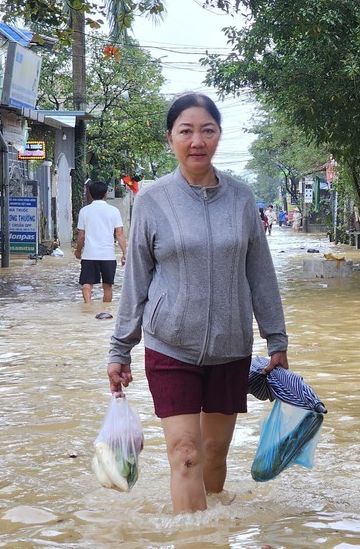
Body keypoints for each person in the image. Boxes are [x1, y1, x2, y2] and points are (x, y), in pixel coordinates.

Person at [107, 93, 289, 514]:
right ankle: (191, 538)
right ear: (170, 137)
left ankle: (213, 531)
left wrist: (276, 338)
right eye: (186, 131)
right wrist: (120, 348)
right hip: (169, 345)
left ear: (219, 136)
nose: (197, 141)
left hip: (231, 347)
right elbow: (137, 279)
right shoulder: (152, 201)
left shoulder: (242, 199)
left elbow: (261, 274)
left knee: (214, 452)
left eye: (207, 130)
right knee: (186, 453)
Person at [75, 180, 126, 303]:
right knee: (107, 287)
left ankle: (87, 308)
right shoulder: (114, 211)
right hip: (108, 255)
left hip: (89, 254)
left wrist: (78, 251)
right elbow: (119, 233)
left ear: (91, 194)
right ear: (105, 194)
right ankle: (105, 311)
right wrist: (125, 253)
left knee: (87, 284)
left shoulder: (84, 211)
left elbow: (81, 235)